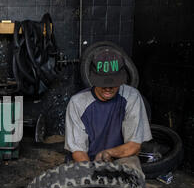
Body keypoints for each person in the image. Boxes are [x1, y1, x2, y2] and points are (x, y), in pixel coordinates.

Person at [64, 47, 152, 175]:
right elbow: (78, 151)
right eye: (103, 83)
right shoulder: (77, 103)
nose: (108, 88)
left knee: (131, 176)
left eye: (114, 83)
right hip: (85, 159)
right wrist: (90, 175)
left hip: (119, 158)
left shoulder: (132, 97)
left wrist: (108, 153)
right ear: (94, 79)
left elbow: (134, 146)